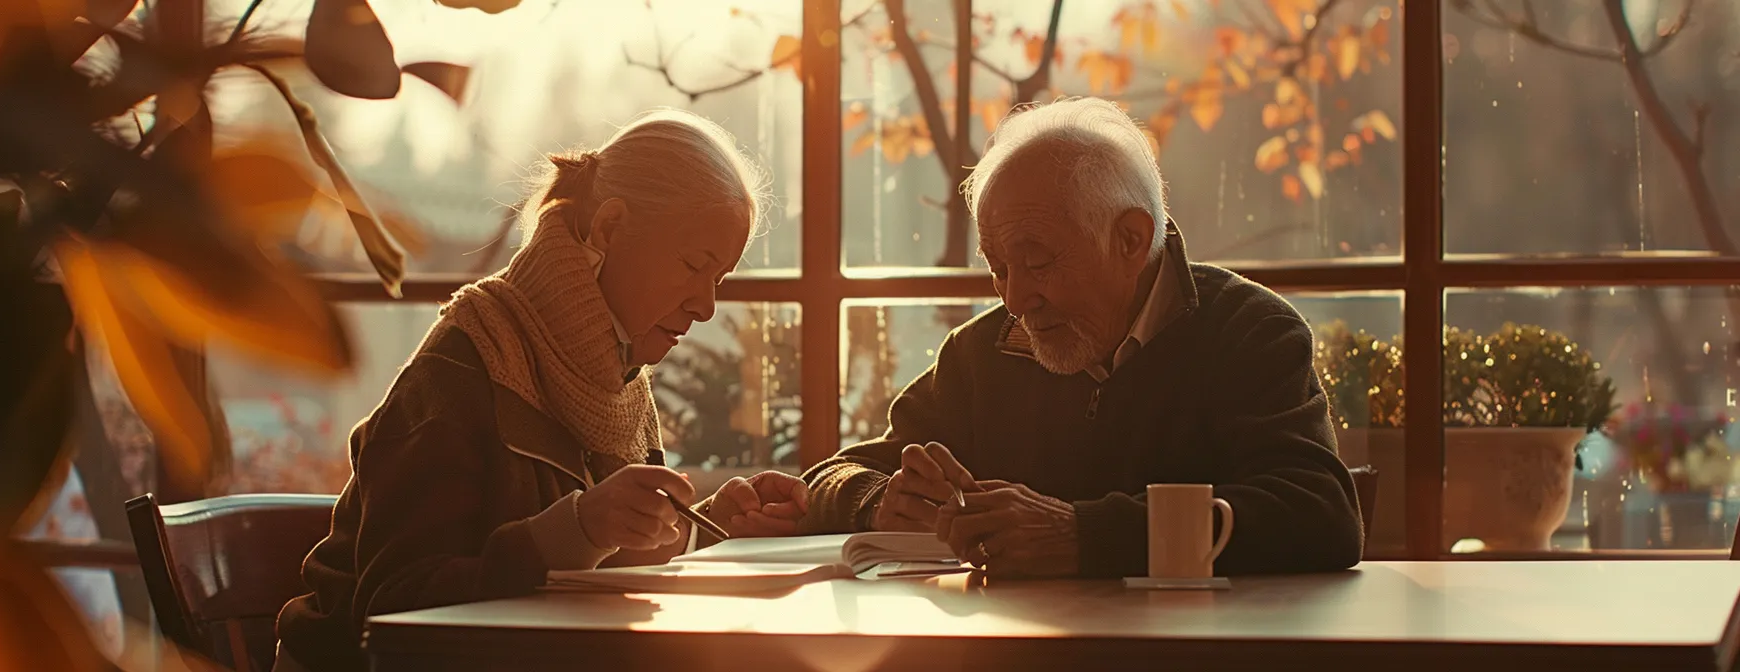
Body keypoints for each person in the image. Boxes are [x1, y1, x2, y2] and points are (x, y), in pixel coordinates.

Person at [273, 110, 808, 672]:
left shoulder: (618, 381)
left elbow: (600, 558)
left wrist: (696, 531)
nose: (706, 306)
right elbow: (392, 607)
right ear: (608, 228)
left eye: (718, 279)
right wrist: (572, 530)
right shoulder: (462, 365)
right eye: (695, 266)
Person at [800, 98, 1362, 579]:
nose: (1015, 299)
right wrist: (879, 503)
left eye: (1037, 261)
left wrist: (1082, 535)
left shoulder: (1248, 332)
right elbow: (834, 475)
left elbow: (1320, 513)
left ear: (1131, 240)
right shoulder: (982, 353)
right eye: (997, 267)